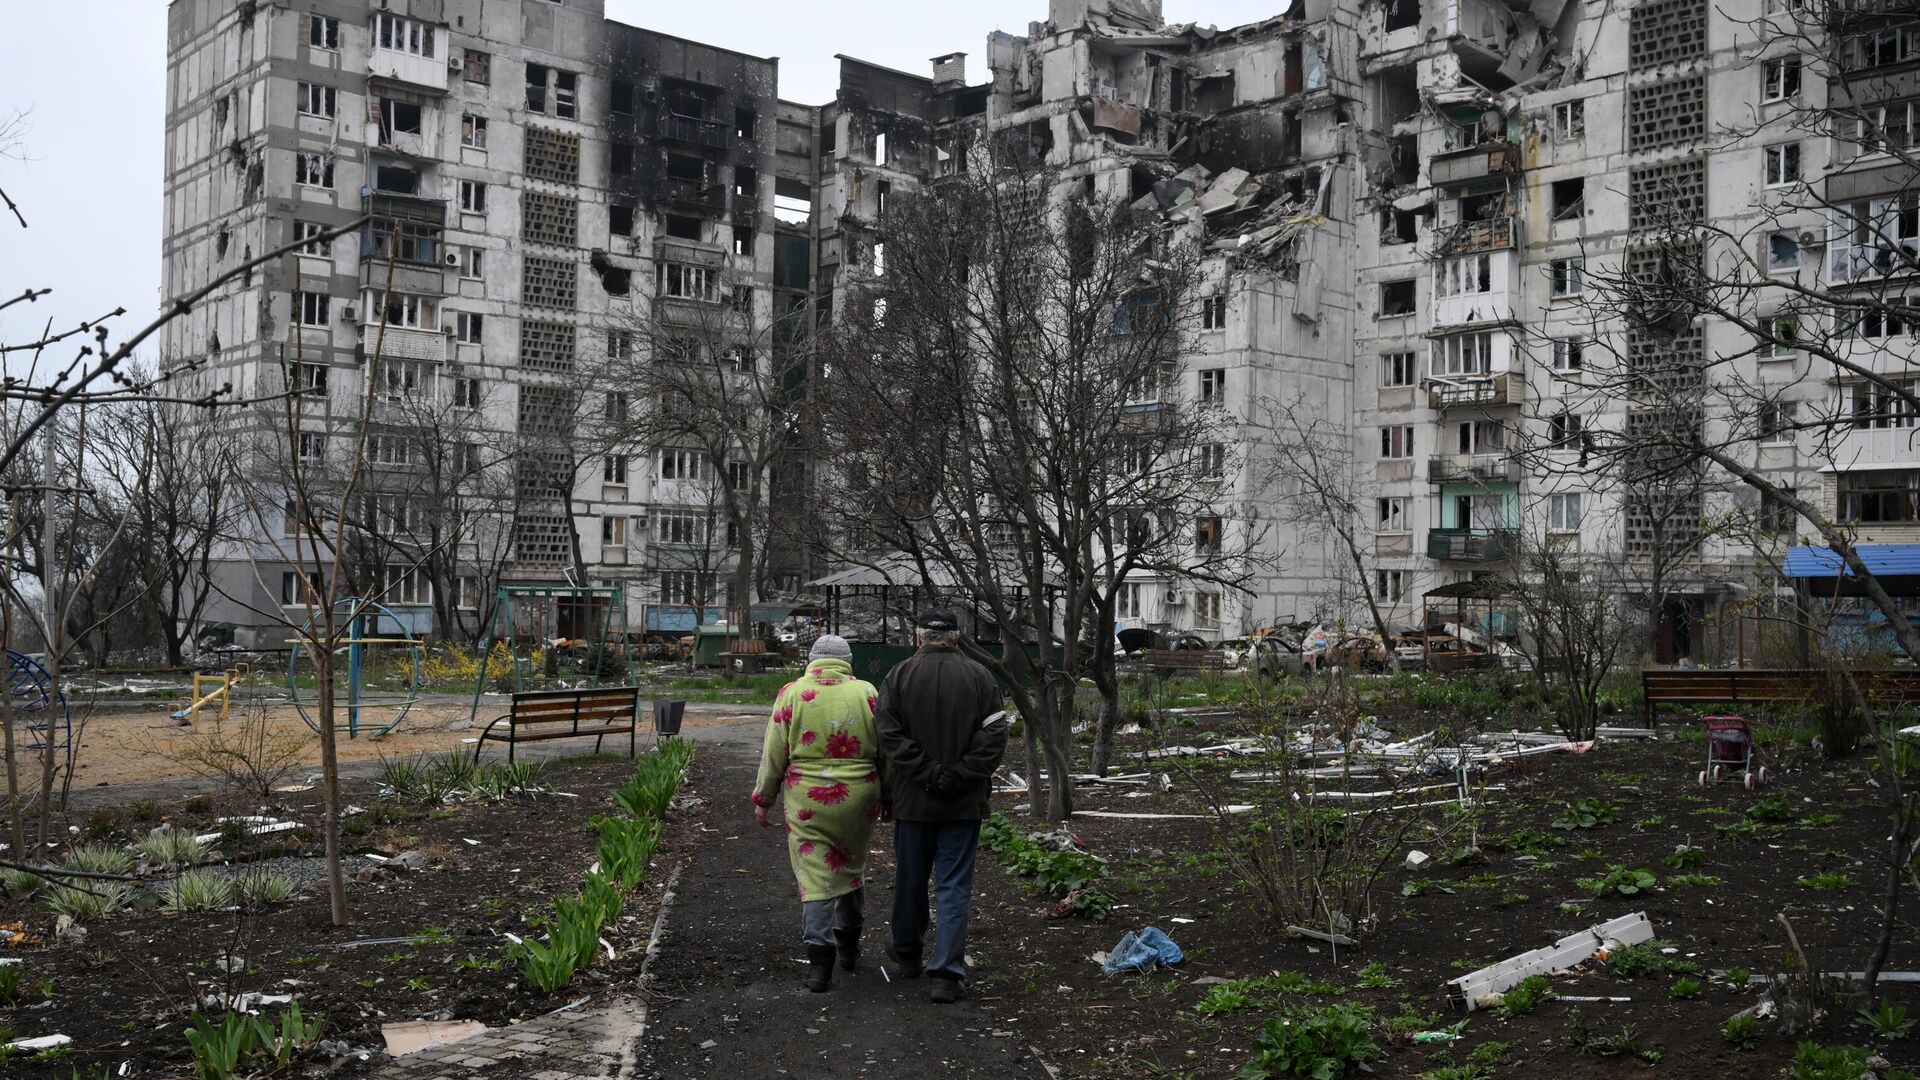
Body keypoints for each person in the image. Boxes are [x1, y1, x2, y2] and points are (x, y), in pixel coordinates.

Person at [874, 608, 1009, 1004]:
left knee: (910, 880)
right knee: (953, 886)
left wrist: (927, 773)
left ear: (919, 637)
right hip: (963, 803)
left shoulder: (897, 677)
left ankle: (908, 954)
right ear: (957, 637)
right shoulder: (981, 677)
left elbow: (889, 735)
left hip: (914, 800)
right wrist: (960, 774)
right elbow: (995, 735)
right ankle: (946, 974)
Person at [750, 634, 883, 992]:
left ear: (811, 660)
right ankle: (850, 948)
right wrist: (889, 796)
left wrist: (765, 797)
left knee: (815, 876)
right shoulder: (867, 692)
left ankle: (820, 966)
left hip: (808, 800)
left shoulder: (792, 693)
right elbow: (887, 745)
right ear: (848, 661)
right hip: (859, 795)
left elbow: (774, 751)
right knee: (851, 866)